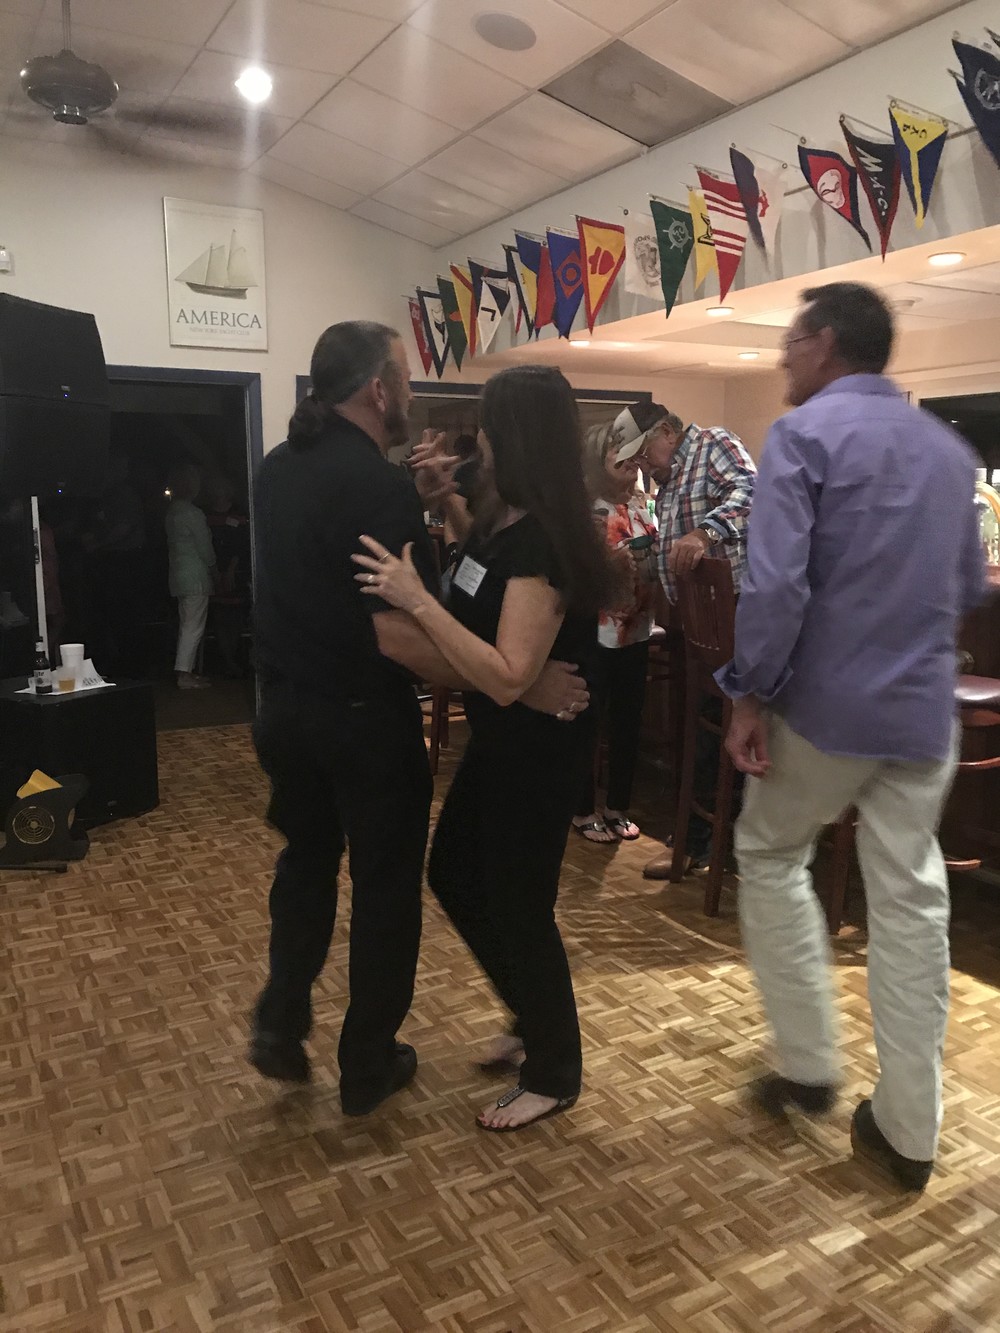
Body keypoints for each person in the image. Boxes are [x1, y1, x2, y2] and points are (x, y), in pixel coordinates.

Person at [249, 323, 590, 1117]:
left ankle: (280, 1019)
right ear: (378, 390)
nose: (411, 394)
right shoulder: (379, 487)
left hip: (284, 713)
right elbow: (399, 635)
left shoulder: (274, 469)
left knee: (305, 865)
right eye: (403, 378)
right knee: (386, 889)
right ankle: (367, 1060)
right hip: (364, 723)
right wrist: (517, 685)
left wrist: (507, 670)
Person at [718, 282, 988, 1192]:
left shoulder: (801, 437)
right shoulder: (949, 450)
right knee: (911, 903)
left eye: (791, 339)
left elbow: (775, 587)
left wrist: (747, 693)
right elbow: (968, 584)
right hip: (924, 714)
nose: (782, 355)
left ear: (826, 341)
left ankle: (808, 1063)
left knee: (768, 850)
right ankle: (909, 1131)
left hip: (825, 710)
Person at [354, 365, 614, 1132]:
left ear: (515, 435)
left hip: (537, 751)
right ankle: (532, 1016)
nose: (480, 440)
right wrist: (449, 504)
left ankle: (555, 1070)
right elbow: (482, 580)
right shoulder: (504, 516)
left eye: (490, 427)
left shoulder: (542, 541)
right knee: (456, 873)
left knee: (519, 904)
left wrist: (416, 599)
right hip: (506, 742)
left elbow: (505, 674)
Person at [619, 402, 756, 879]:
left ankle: (709, 843)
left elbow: (752, 493)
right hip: (703, 624)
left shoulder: (712, 444)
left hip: (741, 617)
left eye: (643, 452)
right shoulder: (670, 479)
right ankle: (704, 842)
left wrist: (703, 533)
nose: (641, 464)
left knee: (720, 731)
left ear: (666, 431)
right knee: (705, 732)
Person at [572, 421, 659, 844]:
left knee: (628, 721)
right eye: (618, 454)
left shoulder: (641, 504)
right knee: (588, 723)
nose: (629, 461)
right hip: (596, 630)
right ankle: (582, 809)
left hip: (638, 629)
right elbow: (578, 573)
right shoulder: (587, 508)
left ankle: (617, 807)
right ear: (597, 459)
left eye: (632, 453)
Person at [165, 463, 216, 690]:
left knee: (187, 624)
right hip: (195, 576)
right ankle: (185, 674)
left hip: (178, 574)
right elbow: (205, 548)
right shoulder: (193, 513)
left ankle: (187, 671)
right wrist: (214, 568)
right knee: (193, 627)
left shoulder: (172, 513)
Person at [205, 477, 251, 678]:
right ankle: (227, 660)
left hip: (236, 571)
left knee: (235, 615)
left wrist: (232, 568)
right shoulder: (205, 513)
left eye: (222, 486)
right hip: (212, 569)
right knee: (219, 616)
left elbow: (243, 543)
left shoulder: (239, 513)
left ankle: (233, 659)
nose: (218, 490)